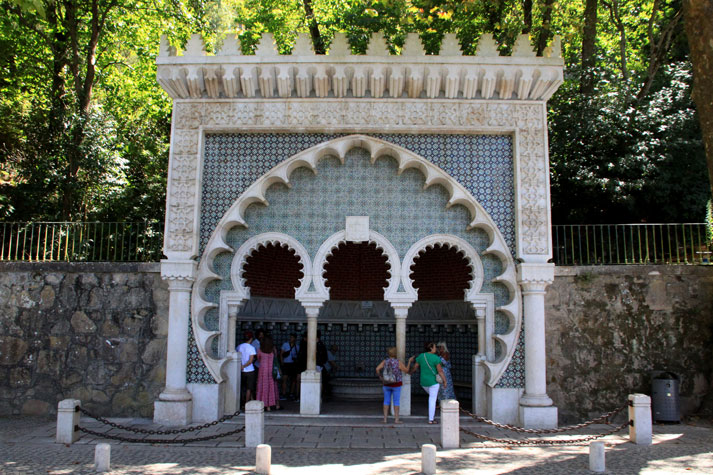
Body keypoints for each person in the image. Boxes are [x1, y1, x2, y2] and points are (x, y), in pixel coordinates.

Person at [410, 342, 447, 424]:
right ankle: (431, 419)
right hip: (433, 381)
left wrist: (410, 372)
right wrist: (444, 381)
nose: (435, 349)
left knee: (432, 396)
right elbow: (440, 371)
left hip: (423, 381)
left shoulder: (421, 356)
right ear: (431, 348)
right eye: (434, 347)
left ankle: (431, 417)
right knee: (432, 399)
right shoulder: (436, 358)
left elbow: (415, 367)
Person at [375, 347, 413, 424]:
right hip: (396, 384)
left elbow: (377, 369)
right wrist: (409, 361)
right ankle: (396, 420)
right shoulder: (398, 362)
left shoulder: (385, 361)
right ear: (396, 354)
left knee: (386, 401)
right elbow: (406, 370)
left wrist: (381, 377)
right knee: (396, 401)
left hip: (386, 384)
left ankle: (385, 419)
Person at [256, 335, 281, 411]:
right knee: (272, 386)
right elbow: (276, 358)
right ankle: (275, 405)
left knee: (263, 387)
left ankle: (266, 405)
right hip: (271, 370)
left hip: (263, 371)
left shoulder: (260, 349)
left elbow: (258, 359)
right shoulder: (273, 350)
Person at [237, 331, 257, 407]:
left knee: (242, 387)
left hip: (241, 370)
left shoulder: (239, 346)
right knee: (249, 388)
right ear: (251, 339)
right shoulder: (251, 348)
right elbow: (251, 360)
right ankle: (246, 403)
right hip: (250, 370)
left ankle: (241, 402)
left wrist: (241, 366)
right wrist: (244, 366)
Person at [280, 333, 299, 400]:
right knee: (284, 379)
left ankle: (291, 393)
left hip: (293, 364)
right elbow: (281, 354)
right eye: (290, 337)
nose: (291, 339)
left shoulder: (297, 346)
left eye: (292, 337)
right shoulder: (285, 344)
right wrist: (282, 362)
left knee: (293, 380)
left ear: (295, 339)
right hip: (286, 363)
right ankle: (284, 393)